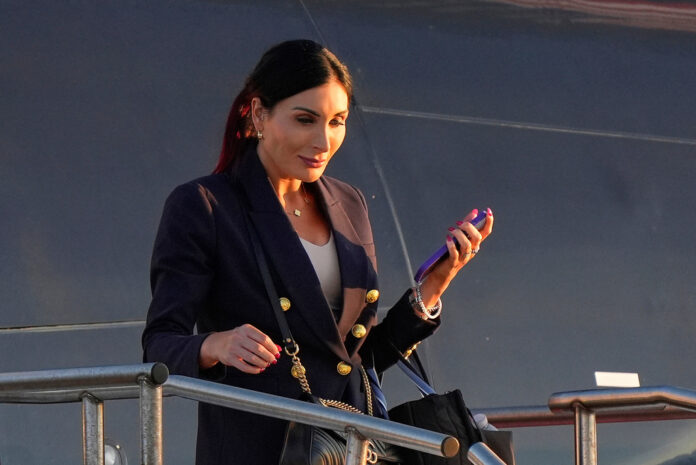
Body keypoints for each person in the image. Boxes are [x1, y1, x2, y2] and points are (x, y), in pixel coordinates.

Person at [142, 39, 493, 465]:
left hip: (348, 450)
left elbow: (354, 361)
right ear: (259, 114)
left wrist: (433, 286)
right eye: (305, 120)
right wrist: (216, 345)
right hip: (260, 450)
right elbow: (159, 346)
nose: (324, 141)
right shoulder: (206, 206)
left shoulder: (349, 202)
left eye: (337, 122)